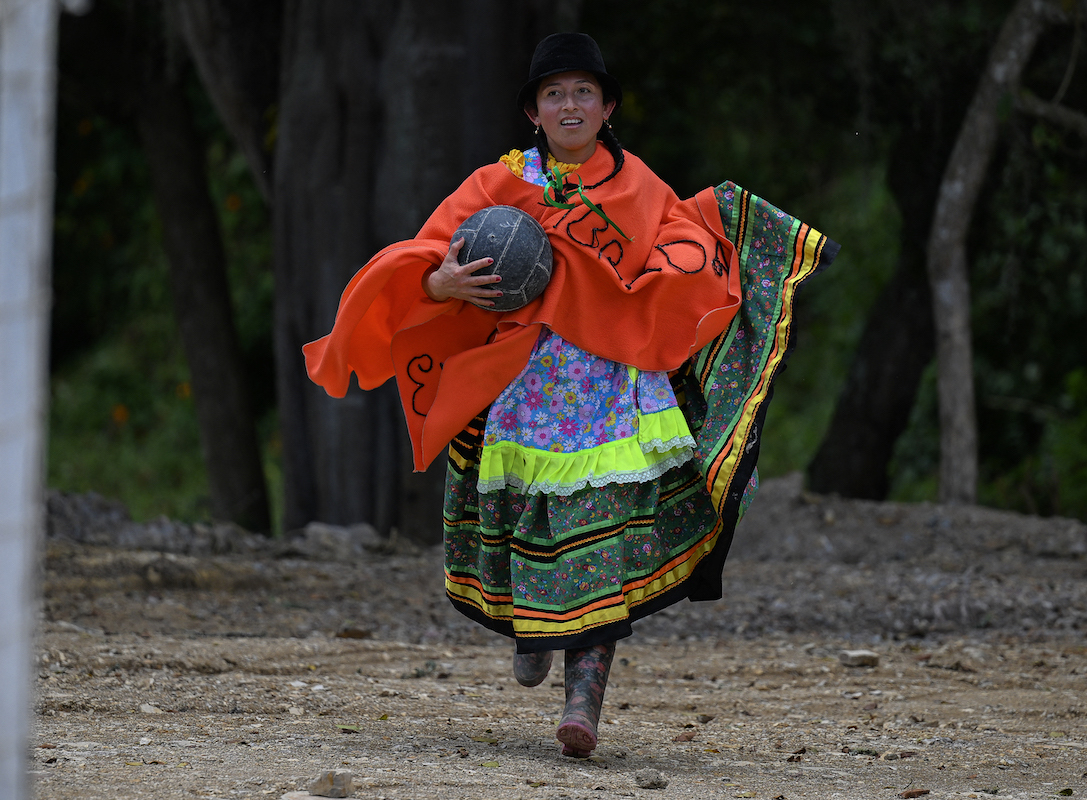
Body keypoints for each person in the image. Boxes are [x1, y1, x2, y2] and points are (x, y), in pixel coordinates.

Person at [304, 33, 838, 758]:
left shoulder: (641, 189)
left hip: (613, 396)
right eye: (554, 93)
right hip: (521, 392)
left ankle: (583, 702)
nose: (569, 104)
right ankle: (534, 629)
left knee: (603, 542)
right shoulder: (494, 188)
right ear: (534, 112)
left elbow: (688, 250)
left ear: (607, 106)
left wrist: (728, 248)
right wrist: (442, 284)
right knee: (529, 527)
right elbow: (425, 258)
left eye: (583, 91)